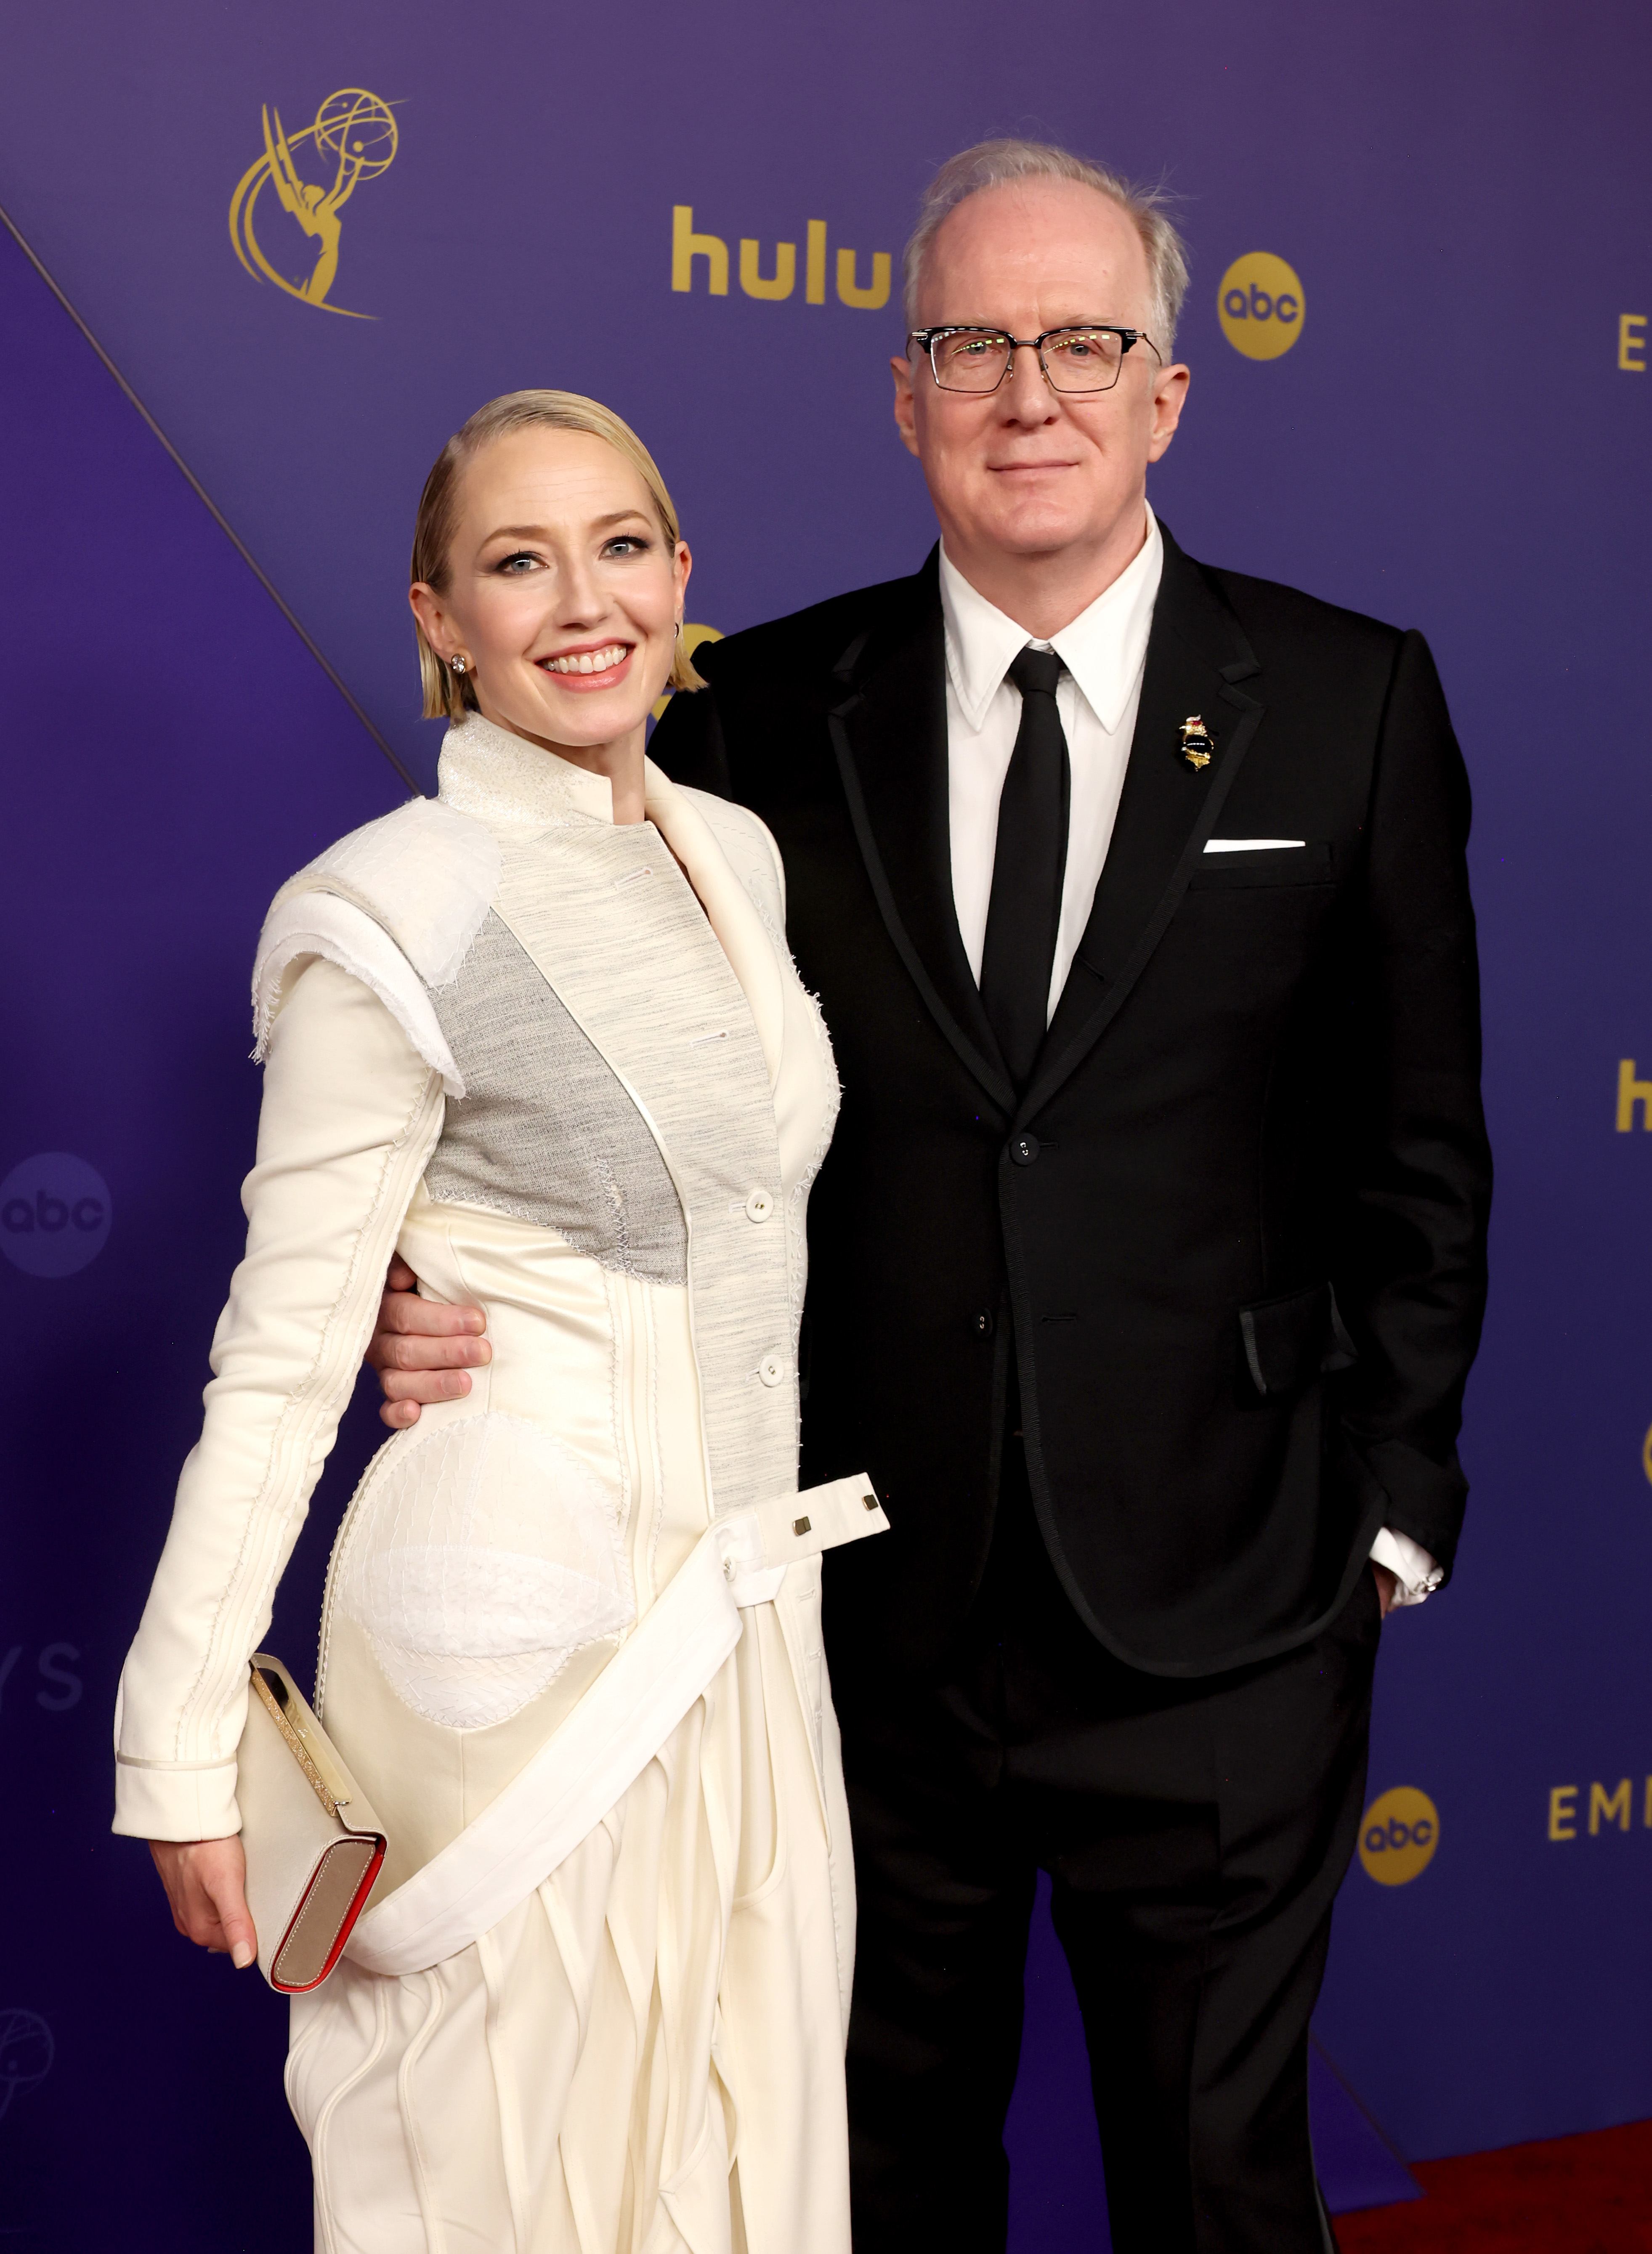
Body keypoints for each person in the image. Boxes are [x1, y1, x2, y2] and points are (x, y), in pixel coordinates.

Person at [370, 142, 1491, 2254]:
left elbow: (1420, 1144)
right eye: (974, 341)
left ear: (1168, 390)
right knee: (866, 2185)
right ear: (905, 394)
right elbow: (596, 1096)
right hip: (853, 1621)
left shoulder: (1348, 703)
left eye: (1086, 340)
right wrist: (435, 1285)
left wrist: (1388, 1515)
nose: (1028, 390)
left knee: (1219, 2193)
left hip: (1232, 1606)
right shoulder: (747, 716)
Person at [112, 390, 882, 2254]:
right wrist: (177, 1736)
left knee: (729, 2173)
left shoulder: (732, 853)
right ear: (438, 619)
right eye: (516, 562)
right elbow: (285, 1353)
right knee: (498, 2175)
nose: (581, 602)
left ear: (682, 579)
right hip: (520, 1664)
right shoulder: (383, 909)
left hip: (753, 1634)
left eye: (620, 546)